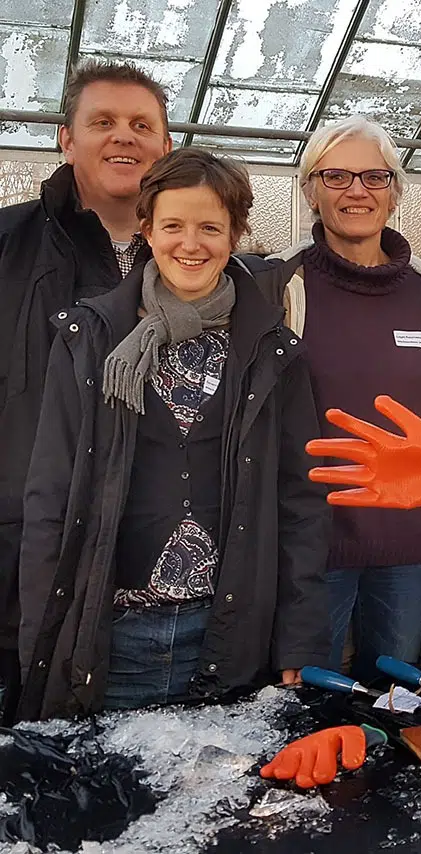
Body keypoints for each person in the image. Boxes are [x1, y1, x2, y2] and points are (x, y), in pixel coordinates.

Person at [17, 149, 330, 721]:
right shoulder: (91, 338)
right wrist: (43, 636)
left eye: (210, 227)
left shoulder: (271, 350)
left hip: (227, 634)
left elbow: (301, 502)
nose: (191, 243)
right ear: (147, 230)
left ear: (235, 235)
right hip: (112, 639)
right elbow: (49, 496)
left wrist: (299, 637)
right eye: (173, 226)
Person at [257, 116, 421, 680]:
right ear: (310, 190)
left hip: (408, 547)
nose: (357, 190)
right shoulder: (276, 288)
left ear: (395, 192)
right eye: (336, 176)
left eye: (375, 177)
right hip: (310, 551)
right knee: (311, 704)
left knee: (394, 701)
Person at [0, 60, 172, 724]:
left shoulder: (196, 263)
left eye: (141, 125)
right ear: (66, 139)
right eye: (103, 121)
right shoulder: (9, 247)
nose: (124, 136)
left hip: (149, 578)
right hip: (18, 560)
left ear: (165, 147)